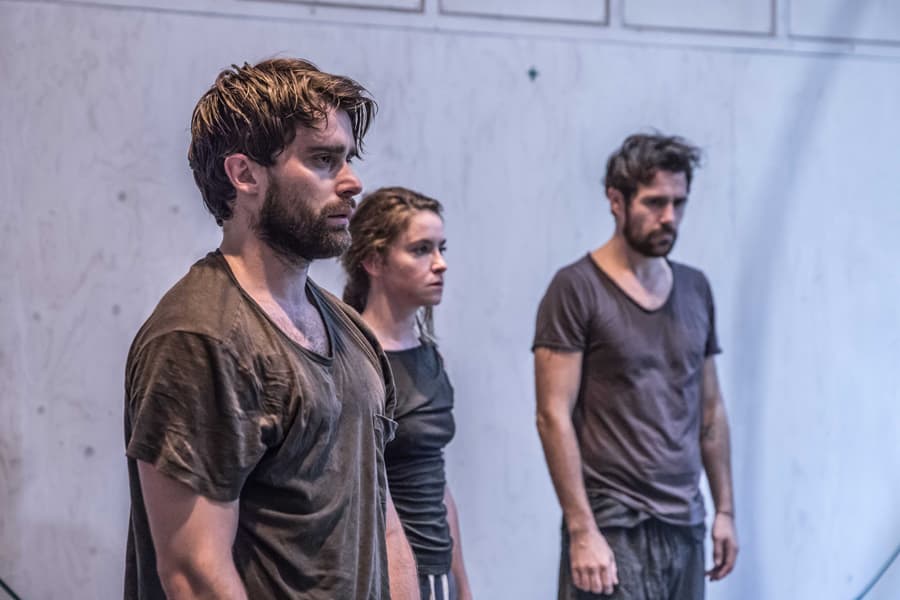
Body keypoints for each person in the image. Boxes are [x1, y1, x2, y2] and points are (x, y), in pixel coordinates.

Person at [123, 58, 419, 599]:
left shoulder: (352, 331)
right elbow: (193, 573)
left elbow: (384, 517)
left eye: (348, 159)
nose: (353, 183)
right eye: (324, 161)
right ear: (245, 175)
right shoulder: (199, 337)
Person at [533, 133, 739, 599]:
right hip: (613, 523)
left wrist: (724, 510)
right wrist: (582, 529)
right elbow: (552, 416)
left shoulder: (695, 289)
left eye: (678, 203)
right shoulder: (576, 289)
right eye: (654, 202)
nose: (669, 217)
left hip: (685, 522)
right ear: (616, 200)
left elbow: (710, 411)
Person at [342, 187, 473, 600]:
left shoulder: (429, 358)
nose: (440, 264)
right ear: (374, 261)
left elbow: (436, 485)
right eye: (421, 250)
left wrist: (461, 585)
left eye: (441, 248)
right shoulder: (353, 360)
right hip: (381, 578)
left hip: (435, 576)